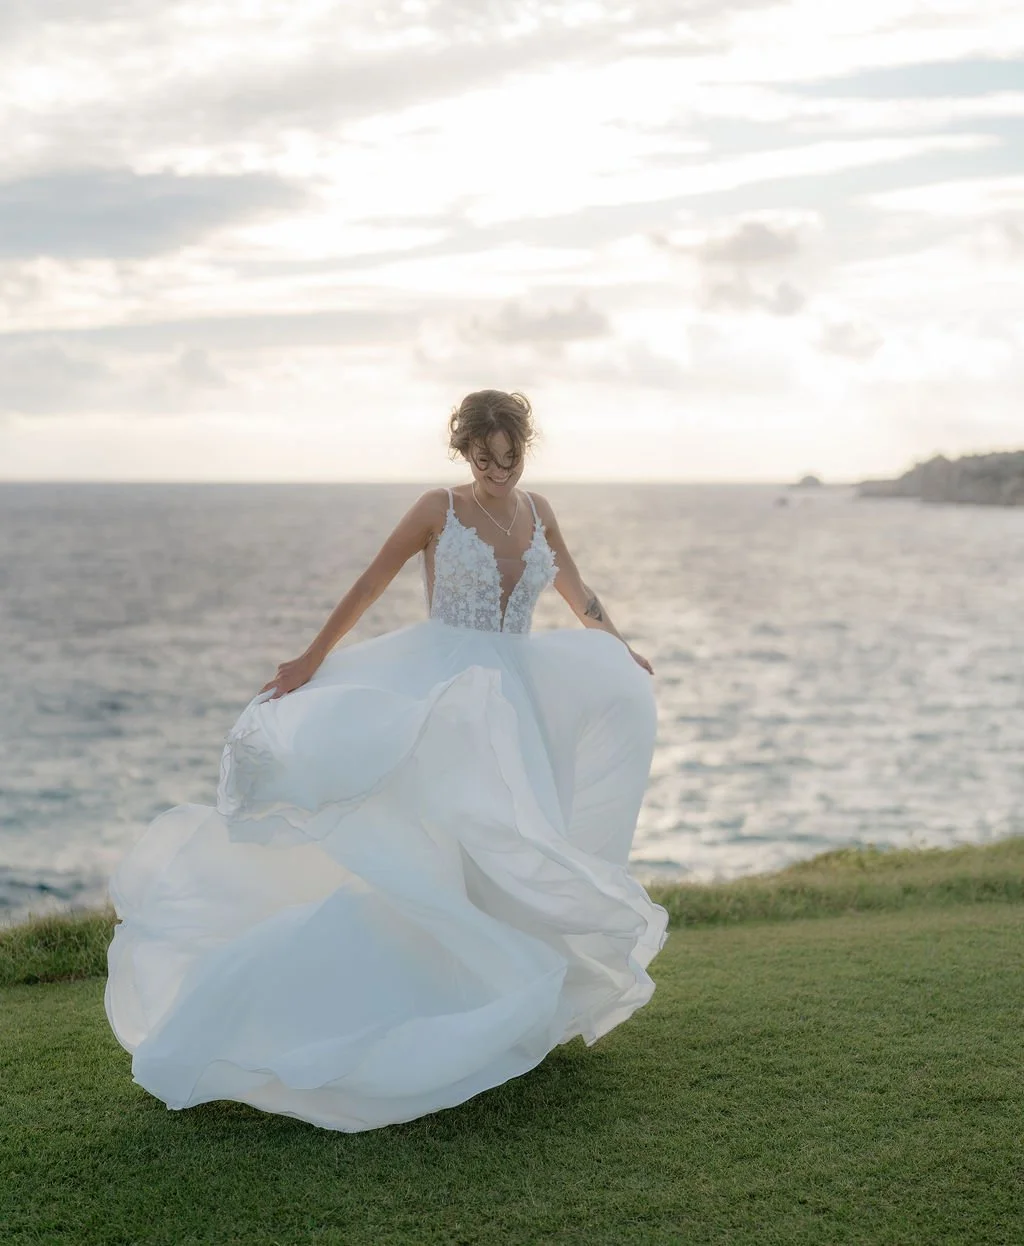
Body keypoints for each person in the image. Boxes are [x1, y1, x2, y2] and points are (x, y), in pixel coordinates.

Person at [104, 389, 670, 1133]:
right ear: (463, 451)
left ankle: (496, 1008)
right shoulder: (438, 508)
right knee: (444, 857)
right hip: (447, 698)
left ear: (523, 450)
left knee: (516, 856)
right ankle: (408, 1009)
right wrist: (312, 657)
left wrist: (615, 643)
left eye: (511, 457)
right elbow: (372, 584)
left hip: (519, 704)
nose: (499, 471)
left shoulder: (539, 512)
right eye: (484, 457)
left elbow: (575, 587)